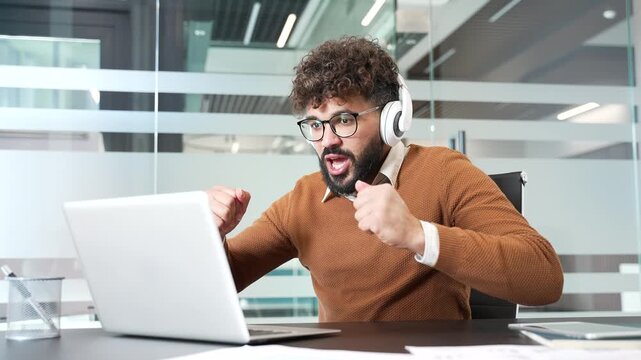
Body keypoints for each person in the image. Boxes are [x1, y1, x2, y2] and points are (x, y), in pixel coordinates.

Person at [207, 36, 563, 322]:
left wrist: (417, 235)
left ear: (393, 120)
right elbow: (227, 279)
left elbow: (544, 277)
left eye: (344, 120)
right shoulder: (303, 199)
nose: (327, 139)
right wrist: (212, 236)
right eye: (315, 124)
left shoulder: (445, 171)